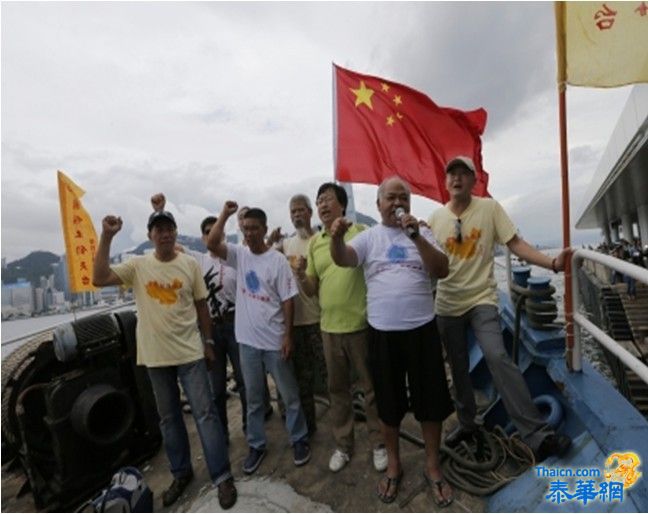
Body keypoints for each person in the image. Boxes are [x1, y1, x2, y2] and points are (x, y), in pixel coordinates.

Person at [428, 155, 572, 462]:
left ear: (473, 180)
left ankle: (537, 435)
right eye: (451, 174)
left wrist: (553, 263)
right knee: (458, 367)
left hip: (482, 299)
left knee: (497, 355)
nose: (456, 178)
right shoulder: (434, 219)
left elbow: (515, 243)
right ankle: (467, 424)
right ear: (445, 182)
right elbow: (425, 263)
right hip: (447, 304)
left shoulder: (489, 209)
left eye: (463, 173)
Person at [92, 209, 237, 509]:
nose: (164, 233)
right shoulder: (138, 265)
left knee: (206, 414)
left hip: (189, 353)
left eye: (169, 228)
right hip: (156, 358)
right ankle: (181, 473)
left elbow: (201, 306)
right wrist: (106, 236)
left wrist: (208, 341)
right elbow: (99, 277)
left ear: (175, 232)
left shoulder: (188, 265)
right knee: (169, 420)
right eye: (158, 229)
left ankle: (222, 476)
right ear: (150, 236)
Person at [330, 177, 454, 505]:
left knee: (430, 403)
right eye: (391, 197)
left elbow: (441, 269)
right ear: (379, 204)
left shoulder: (423, 232)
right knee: (389, 405)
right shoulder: (370, 237)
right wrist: (337, 239)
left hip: (422, 330)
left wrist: (416, 237)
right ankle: (394, 466)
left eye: (404, 197)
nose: (398, 202)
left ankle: (432, 466)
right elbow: (343, 258)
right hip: (382, 333)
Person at [206, 202, 311, 475]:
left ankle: (299, 439)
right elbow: (213, 242)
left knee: (289, 395)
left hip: (275, 340)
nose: (250, 233)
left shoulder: (277, 260)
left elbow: (288, 300)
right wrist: (226, 214)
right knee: (253, 399)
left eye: (255, 228)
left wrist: (288, 335)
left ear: (265, 230)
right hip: (248, 343)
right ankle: (256, 445)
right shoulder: (239, 255)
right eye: (246, 228)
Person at [296, 182, 387, 473]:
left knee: (372, 389)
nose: (322, 205)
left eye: (328, 199)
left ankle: (379, 443)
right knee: (338, 391)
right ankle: (344, 445)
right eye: (319, 200)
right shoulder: (315, 243)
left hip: (361, 325)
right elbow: (311, 289)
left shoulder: (361, 233)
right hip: (329, 329)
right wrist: (299, 274)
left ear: (342, 205)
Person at [150, 192, 247, 439]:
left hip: (236, 324)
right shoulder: (197, 259)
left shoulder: (236, 256)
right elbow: (169, 244)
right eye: (206, 231)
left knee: (244, 379)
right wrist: (160, 211)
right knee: (215, 388)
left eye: (214, 230)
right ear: (203, 237)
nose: (210, 234)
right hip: (211, 328)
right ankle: (221, 434)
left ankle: (250, 427)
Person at [268, 194, 328, 435]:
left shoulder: (320, 241)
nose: (296, 216)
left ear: (310, 212)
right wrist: (272, 241)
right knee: (302, 380)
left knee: (330, 377)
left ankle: (342, 425)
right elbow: (268, 261)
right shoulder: (288, 245)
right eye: (293, 212)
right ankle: (309, 428)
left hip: (320, 321)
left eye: (301, 211)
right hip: (296, 323)